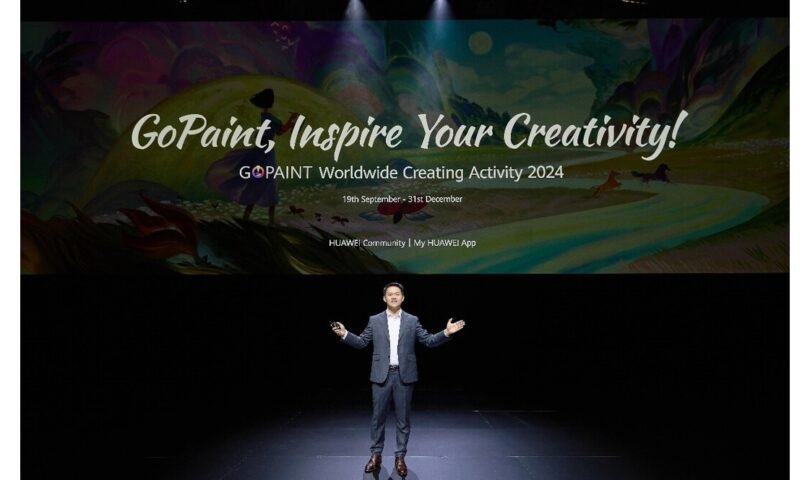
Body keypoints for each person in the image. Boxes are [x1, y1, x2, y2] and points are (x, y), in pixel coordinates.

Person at [331, 282, 465, 477]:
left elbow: (428, 340)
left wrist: (446, 333)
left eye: (397, 294)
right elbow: (361, 342)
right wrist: (345, 334)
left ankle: (400, 457)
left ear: (403, 298)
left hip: (404, 376)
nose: (393, 296)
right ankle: (376, 455)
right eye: (390, 294)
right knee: (377, 419)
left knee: (403, 420)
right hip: (381, 375)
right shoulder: (374, 320)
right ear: (384, 298)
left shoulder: (412, 320)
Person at [205, 87, 298, 223]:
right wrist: (292, 120)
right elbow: (280, 130)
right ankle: (264, 220)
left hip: (262, 152)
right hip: (264, 152)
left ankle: (254, 219)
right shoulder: (269, 118)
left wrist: (291, 121)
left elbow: (279, 131)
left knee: (262, 181)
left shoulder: (265, 117)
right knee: (264, 181)